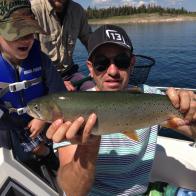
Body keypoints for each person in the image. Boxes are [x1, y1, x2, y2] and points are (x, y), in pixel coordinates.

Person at [46, 25, 196, 195]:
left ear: (132, 63)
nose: (112, 71)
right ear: (90, 67)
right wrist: (87, 148)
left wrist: (191, 113)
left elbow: (189, 127)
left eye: (121, 61)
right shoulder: (71, 108)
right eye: (102, 63)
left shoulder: (151, 98)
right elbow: (72, 191)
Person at [0, 0, 66, 170]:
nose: (26, 40)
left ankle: (47, 157)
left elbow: (59, 95)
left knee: (54, 160)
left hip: (43, 125)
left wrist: (41, 118)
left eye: (30, 32)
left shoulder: (42, 61)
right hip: (8, 130)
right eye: (17, 33)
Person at [30, 0, 95, 91]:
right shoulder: (33, 10)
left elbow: (91, 41)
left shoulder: (78, 11)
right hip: (44, 78)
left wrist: (99, 64)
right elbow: (30, 56)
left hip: (70, 73)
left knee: (92, 89)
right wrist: (56, 82)